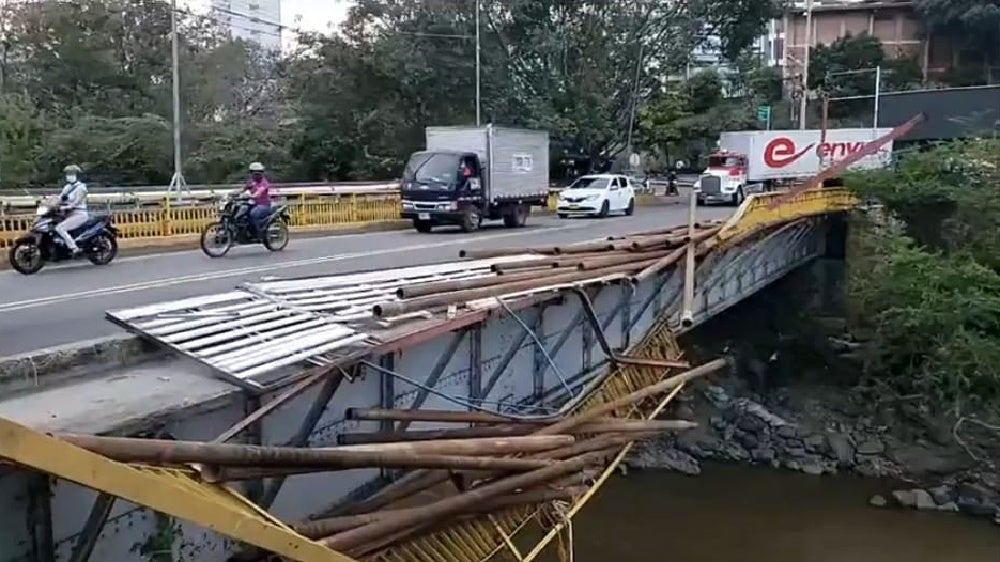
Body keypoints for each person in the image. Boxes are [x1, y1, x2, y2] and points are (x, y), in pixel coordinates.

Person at [54, 164, 89, 256]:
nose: (68, 176)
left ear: (77, 175)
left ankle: (74, 248)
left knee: (60, 228)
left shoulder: (82, 188)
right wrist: (48, 203)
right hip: (67, 214)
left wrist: (67, 207)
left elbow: (77, 202)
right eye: (67, 173)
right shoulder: (67, 187)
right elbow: (59, 198)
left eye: (71, 173)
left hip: (79, 214)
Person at [244, 162, 273, 235]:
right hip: (253, 204)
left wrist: (249, 196)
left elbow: (258, 194)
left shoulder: (264, 183)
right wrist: (232, 194)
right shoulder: (251, 181)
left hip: (264, 205)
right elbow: (243, 189)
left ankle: (259, 232)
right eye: (253, 172)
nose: (255, 174)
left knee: (253, 213)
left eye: (258, 173)